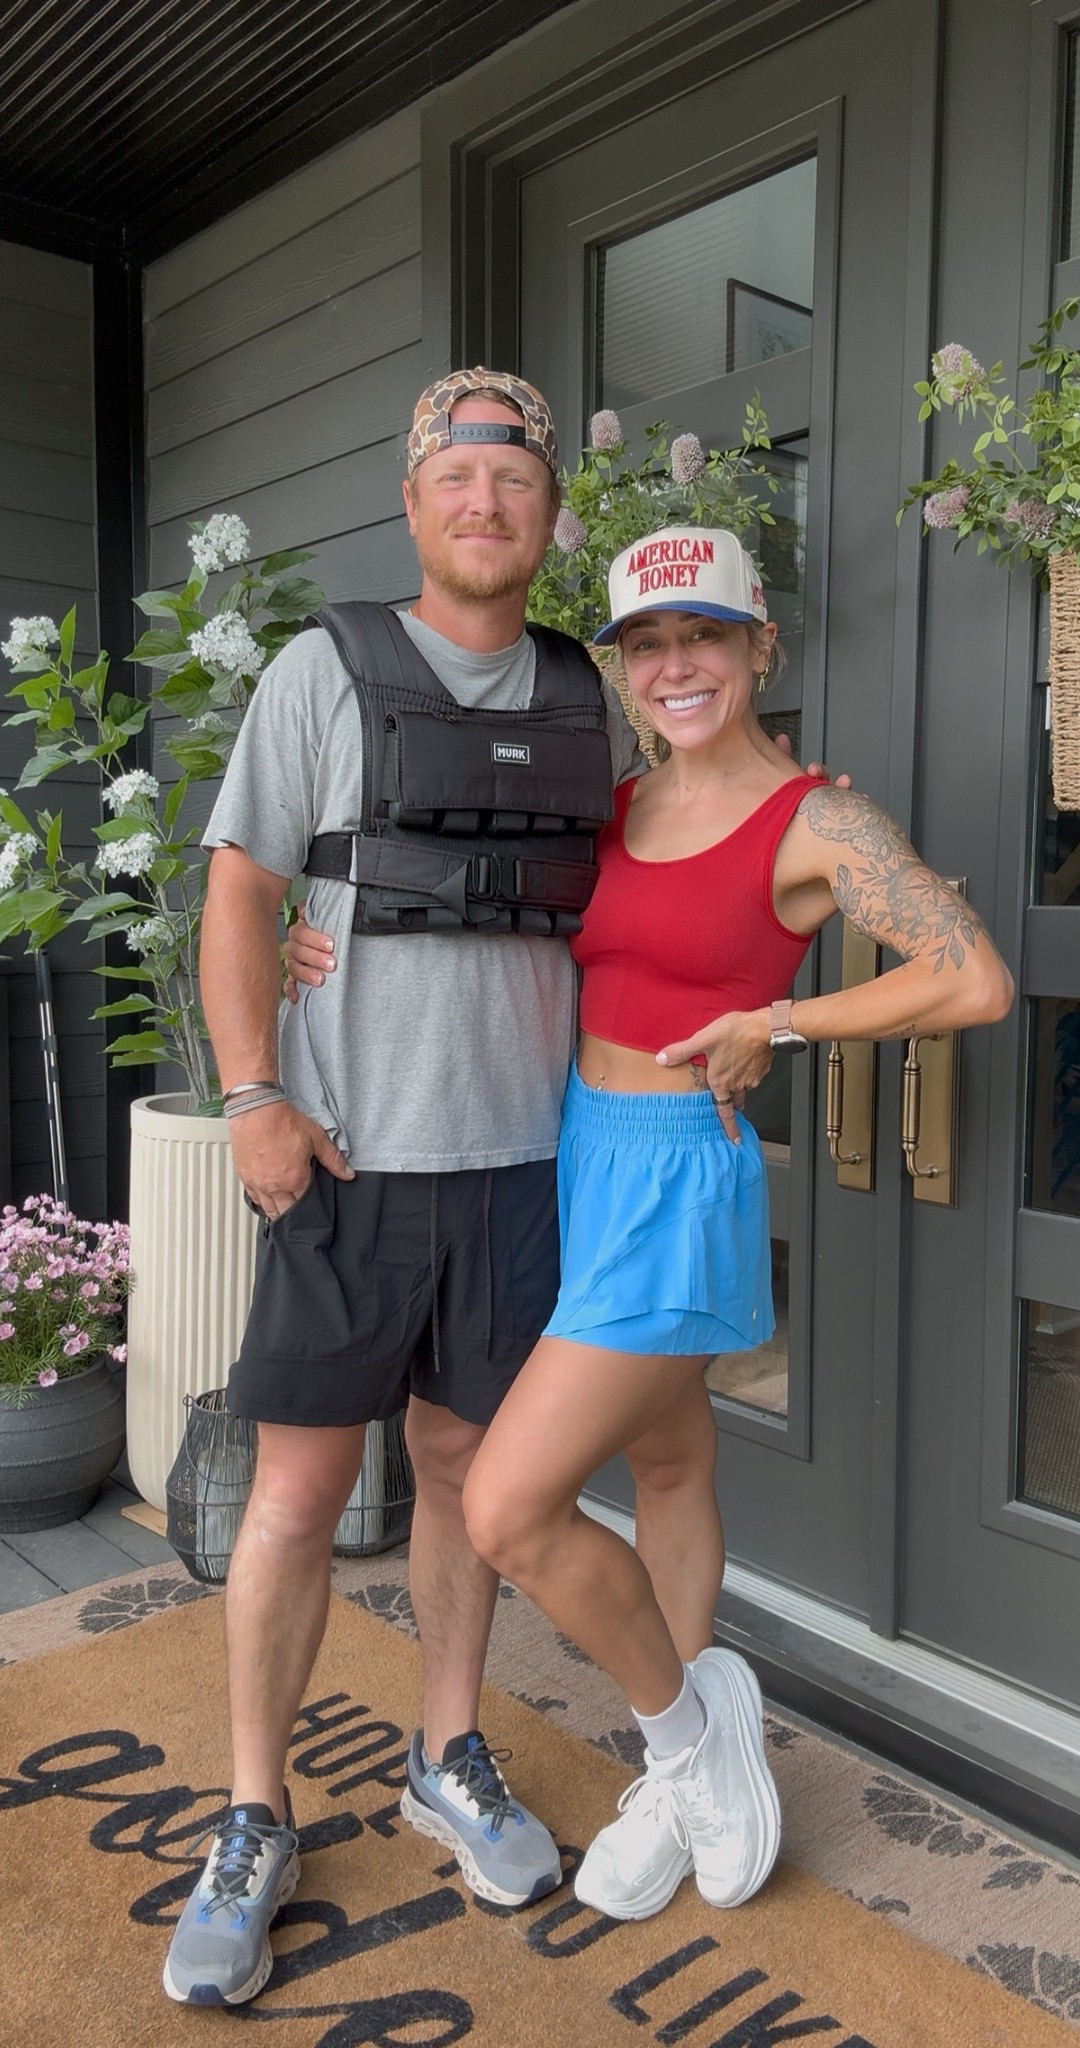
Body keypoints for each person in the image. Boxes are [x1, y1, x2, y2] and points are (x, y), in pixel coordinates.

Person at [163, 374, 793, 2008]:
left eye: (515, 475)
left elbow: (687, 881)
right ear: (413, 499)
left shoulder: (600, 697)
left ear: (547, 515)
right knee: (296, 1498)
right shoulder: (326, 670)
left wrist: (751, 1024)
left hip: (530, 1168)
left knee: (464, 1480)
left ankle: (448, 1752)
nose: (487, 499)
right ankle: (253, 1811)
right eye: (457, 471)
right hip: (351, 1160)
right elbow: (238, 898)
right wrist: (252, 1093)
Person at [286, 521, 1014, 1927]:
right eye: (646, 647)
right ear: (623, 673)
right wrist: (319, 933)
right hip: (575, 1155)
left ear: (759, 648)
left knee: (505, 1504)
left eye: (703, 638)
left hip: (679, 1172)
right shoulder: (612, 804)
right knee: (671, 1467)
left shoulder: (819, 819)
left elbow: (967, 976)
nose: (674, 666)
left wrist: (780, 1019)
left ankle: (686, 1744)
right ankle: (686, 1770)